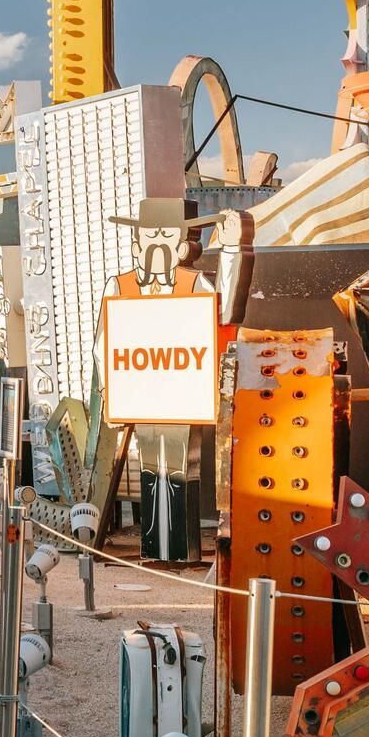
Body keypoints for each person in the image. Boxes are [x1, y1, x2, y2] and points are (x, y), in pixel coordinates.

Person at [92, 199, 252, 562]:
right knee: (152, 463)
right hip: (143, 391)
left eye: (166, 236)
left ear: (183, 245)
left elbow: (225, 312)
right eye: (150, 236)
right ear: (137, 244)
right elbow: (105, 344)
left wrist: (233, 249)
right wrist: (110, 393)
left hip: (183, 392)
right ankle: (159, 548)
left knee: (181, 464)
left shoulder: (194, 281)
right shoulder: (119, 286)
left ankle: (178, 550)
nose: (157, 243)